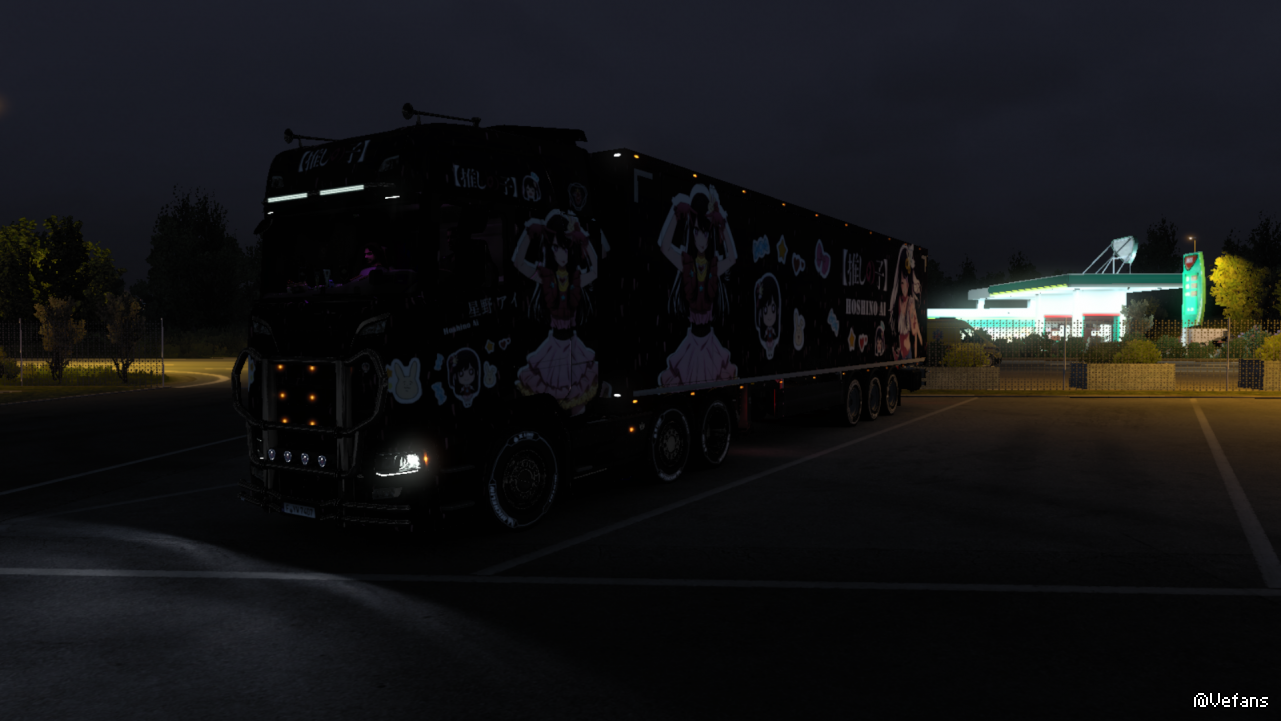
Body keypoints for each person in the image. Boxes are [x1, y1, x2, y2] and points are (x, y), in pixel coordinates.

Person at [512, 210, 600, 415]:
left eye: (565, 248)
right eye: (555, 247)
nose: (561, 253)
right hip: (553, 347)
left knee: (578, 402)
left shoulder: (576, 278)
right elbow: (518, 262)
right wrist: (529, 233)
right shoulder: (546, 277)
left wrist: (585, 241)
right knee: (549, 403)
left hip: (573, 346)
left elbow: (596, 269)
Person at [656, 185, 738, 385]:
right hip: (691, 341)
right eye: (697, 232)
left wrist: (723, 224)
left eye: (706, 233)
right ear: (691, 233)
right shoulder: (686, 263)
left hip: (710, 342)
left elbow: (733, 257)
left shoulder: (713, 267)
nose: (702, 238)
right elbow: (664, 247)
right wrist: (676, 213)